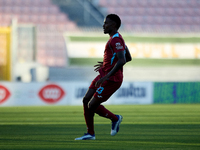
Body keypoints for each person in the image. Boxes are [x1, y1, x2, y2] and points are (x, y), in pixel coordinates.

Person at [75, 14, 132, 140]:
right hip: (104, 74)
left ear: (114, 25)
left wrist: (107, 76)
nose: (103, 25)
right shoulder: (116, 38)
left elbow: (123, 60)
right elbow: (128, 57)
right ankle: (90, 133)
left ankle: (115, 118)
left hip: (112, 79)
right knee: (86, 100)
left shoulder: (116, 40)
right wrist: (107, 64)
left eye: (106, 23)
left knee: (92, 105)